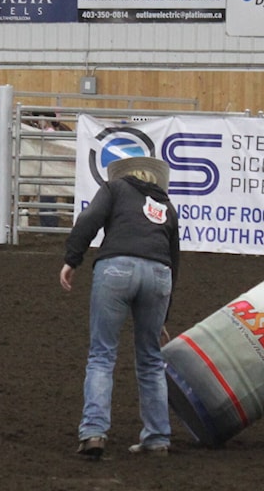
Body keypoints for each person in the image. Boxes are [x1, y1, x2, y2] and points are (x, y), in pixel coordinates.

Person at [59, 156, 180, 459]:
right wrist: (164, 313)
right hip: (159, 275)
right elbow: (174, 258)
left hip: (116, 267)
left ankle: (93, 433)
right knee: (151, 359)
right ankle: (157, 437)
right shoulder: (167, 206)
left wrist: (73, 258)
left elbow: (89, 220)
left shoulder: (115, 189)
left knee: (102, 355)